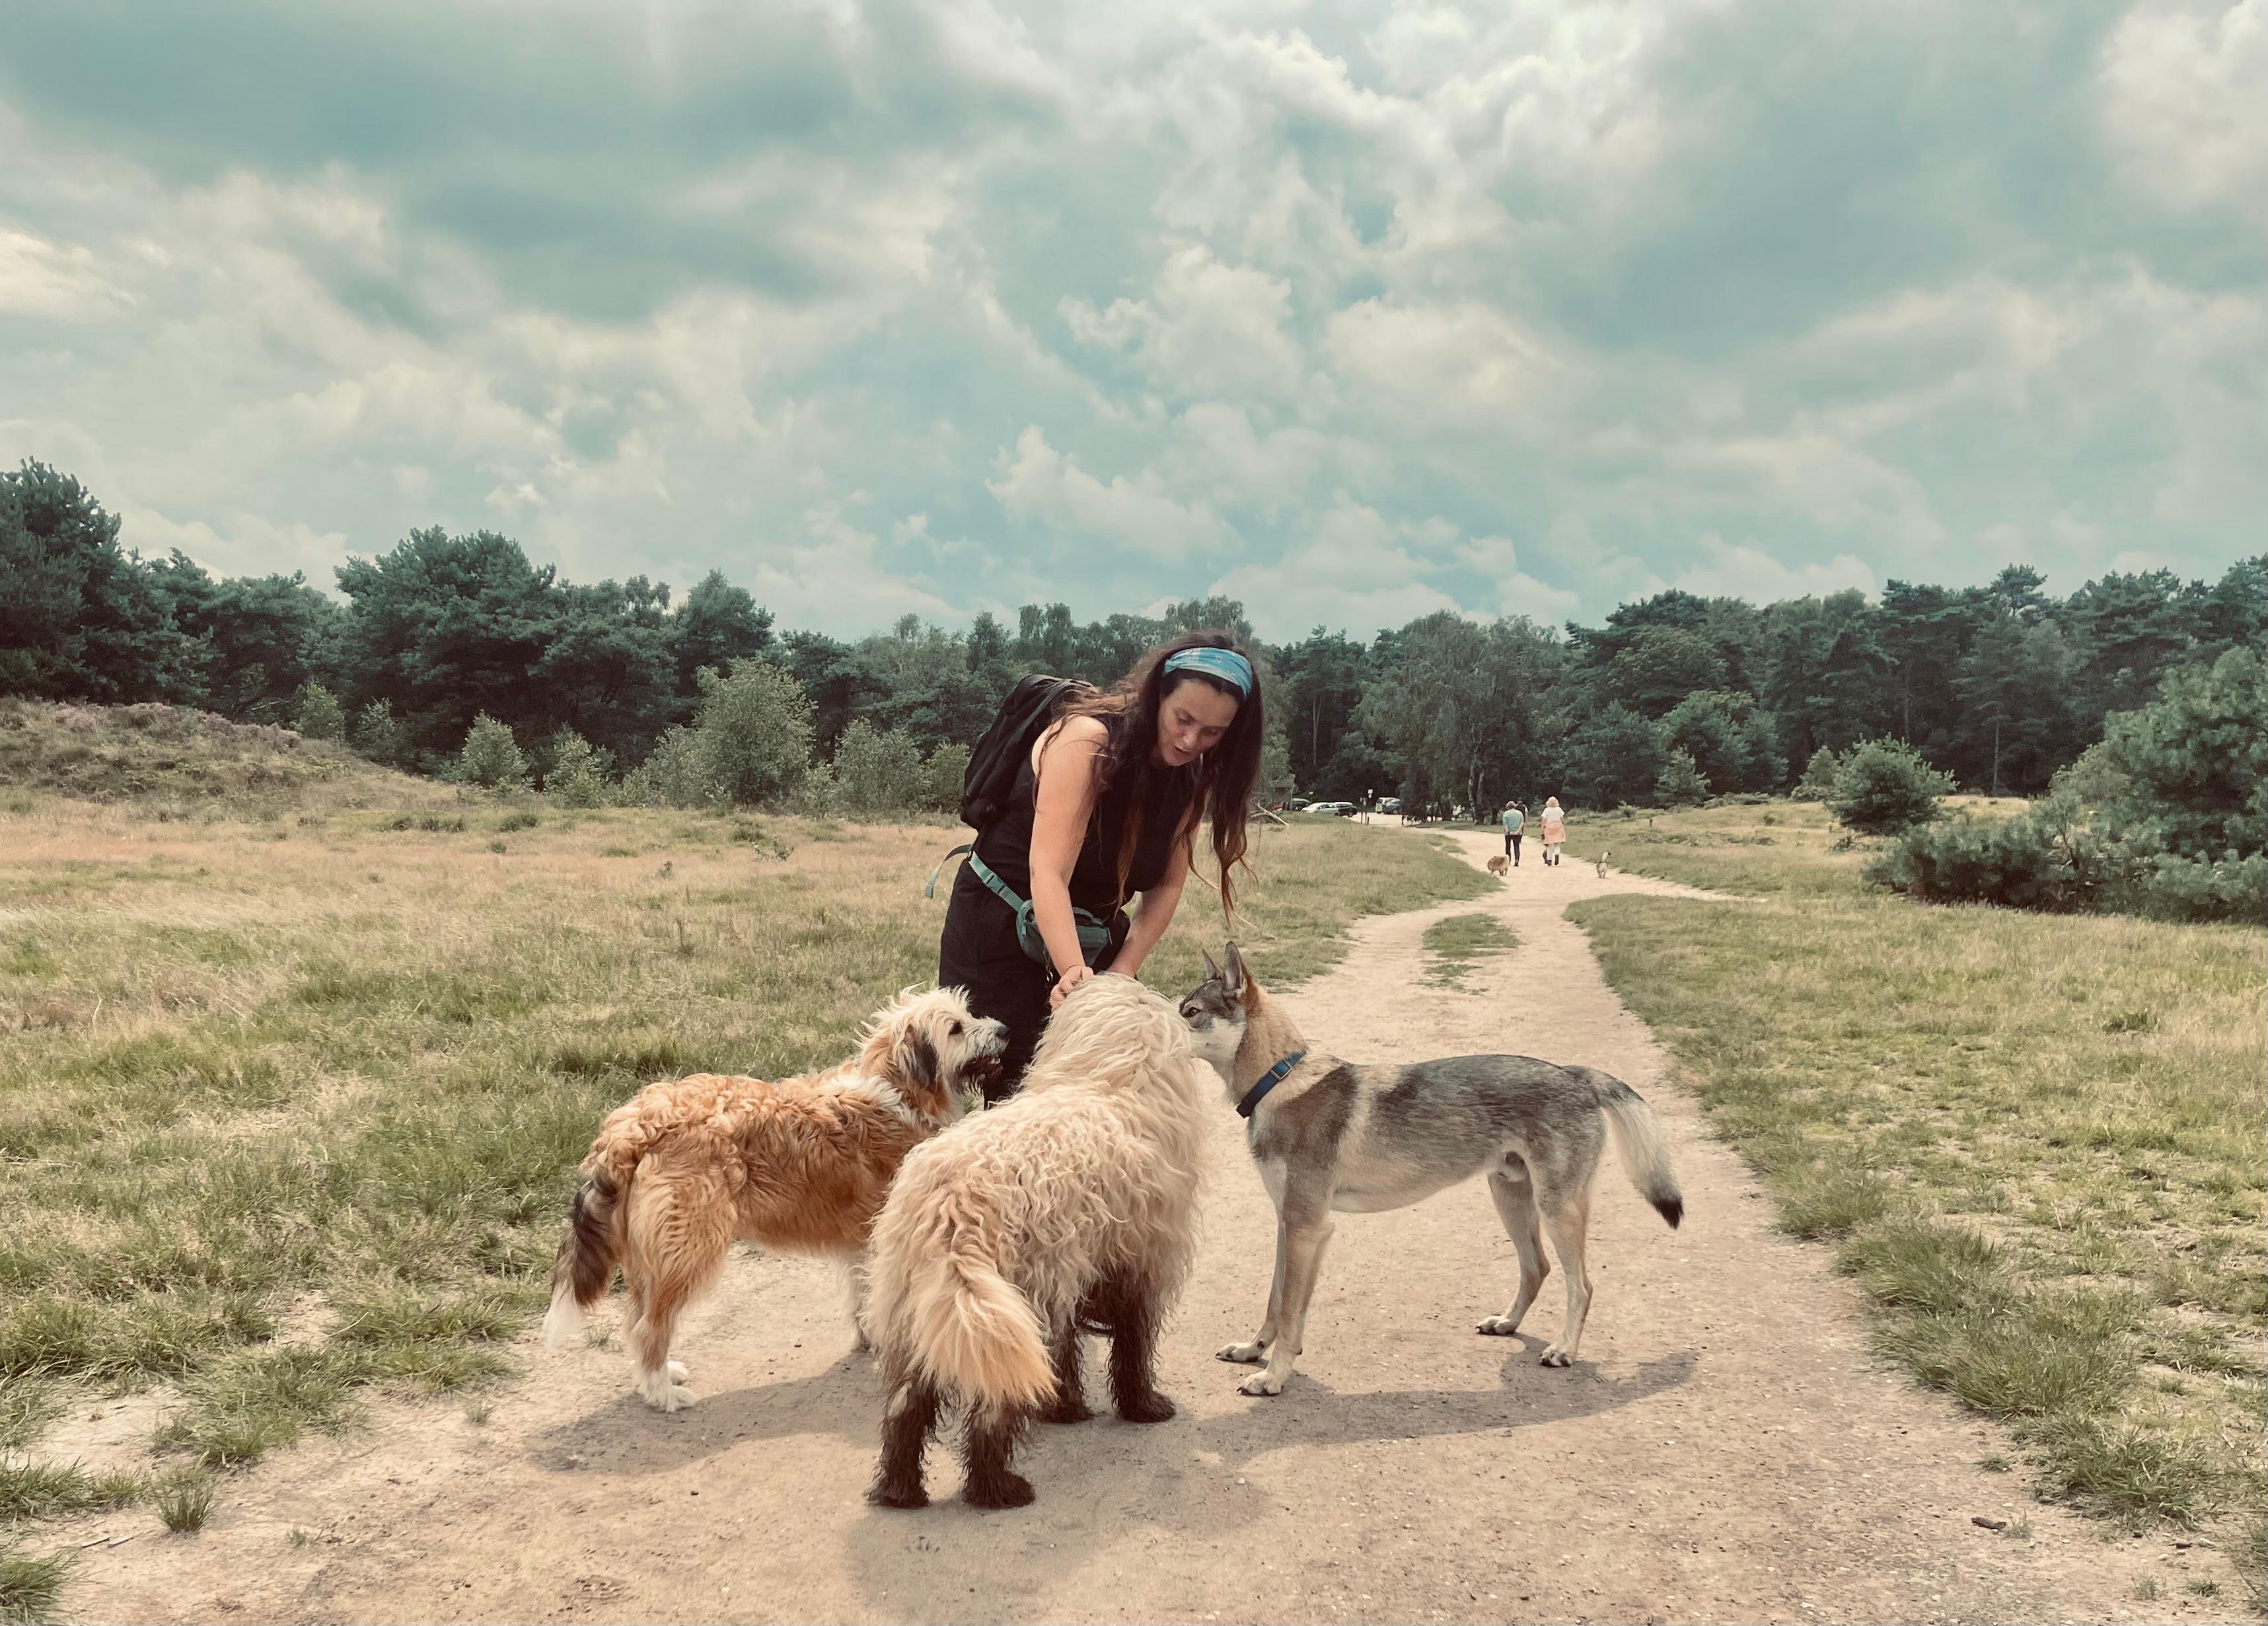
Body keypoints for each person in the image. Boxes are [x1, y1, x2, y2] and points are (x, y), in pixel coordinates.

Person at [937, 632, 1265, 1100]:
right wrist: (1075, 977)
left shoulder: (1193, 774)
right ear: (1157, 696)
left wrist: (1121, 972)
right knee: (1010, 1089)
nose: (1192, 739)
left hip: (1093, 930)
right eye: (1183, 718)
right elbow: (1048, 871)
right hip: (1001, 926)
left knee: (1091, 1086)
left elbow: (1167, 886)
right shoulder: (1087, 739)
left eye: (1212, 732)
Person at [1540, 795, 1566, 866]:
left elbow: (1544, 821)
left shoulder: (1547, 810)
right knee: (1557, 844)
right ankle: (1557, 855)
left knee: (1550, 845)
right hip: (1558, 826)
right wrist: (1562, 825)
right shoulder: (1559, 809)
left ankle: (1549, 860)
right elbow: (1562, 819)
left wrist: (1542, 830)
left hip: (1549, 827)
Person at [1500, 800, 1525, 866]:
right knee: (1516, 846)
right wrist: (1518, 831)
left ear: (1508, 807)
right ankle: (1517, 859)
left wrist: (1508, 831)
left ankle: (1508, 861)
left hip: (1508, 833)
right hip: (1518, 833)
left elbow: (1505, 824)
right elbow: (1522, 823)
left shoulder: (1506, 814)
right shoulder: (1520, 813)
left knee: (1508, 846)